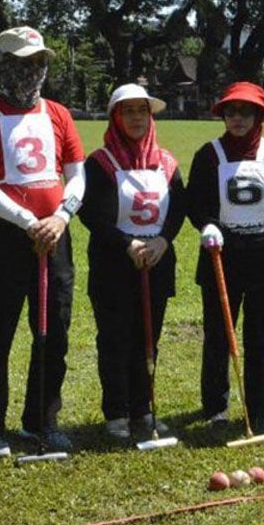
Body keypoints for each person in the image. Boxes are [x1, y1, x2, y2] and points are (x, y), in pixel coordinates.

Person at [0, 27, 85, 458]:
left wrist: (61, 216)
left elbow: (76, 174)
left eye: (38, 64)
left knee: (54, 331)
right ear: (4, 66)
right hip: (4, 240)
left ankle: (42, 420)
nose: (31, 73)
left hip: (55, 236)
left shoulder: (59, 114)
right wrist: (27, 220)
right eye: (22, 64)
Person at [188, 82, 264, 435]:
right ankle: (215, 408)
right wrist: (207, 225)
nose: (237, 119)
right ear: (222, 115)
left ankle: (259, 409)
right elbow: (194, 203)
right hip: (221, 256)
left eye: (246, 112)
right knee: (218, 335)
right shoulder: (208, 154)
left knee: (263, 336)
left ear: (259, 115)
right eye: (231, 112)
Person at [79, 84, 186, 441]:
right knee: (115, 339)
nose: (137, 118)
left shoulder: (167, 162)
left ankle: (144, 408)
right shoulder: (99, 163)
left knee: (148, 339)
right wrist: (127, 243)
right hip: (114, 266)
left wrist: (162, 240)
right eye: (128, 111)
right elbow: (92, 214)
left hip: (156, 262)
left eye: (143, 111)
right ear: (115, 118)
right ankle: (117, 411)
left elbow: (178, 209)